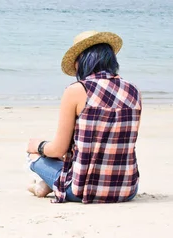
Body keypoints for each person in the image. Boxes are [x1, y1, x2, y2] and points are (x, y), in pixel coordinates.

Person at [26, 31, 142, 203]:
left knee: (35, 155)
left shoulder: (77, 90)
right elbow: (121, 143)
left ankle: (50, 184)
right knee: (64, 156)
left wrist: (38, 146)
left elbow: (58, 149)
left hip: (82, 190)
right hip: (127, 190)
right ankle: (46, 184)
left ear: (82, 60)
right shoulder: (134, 91)